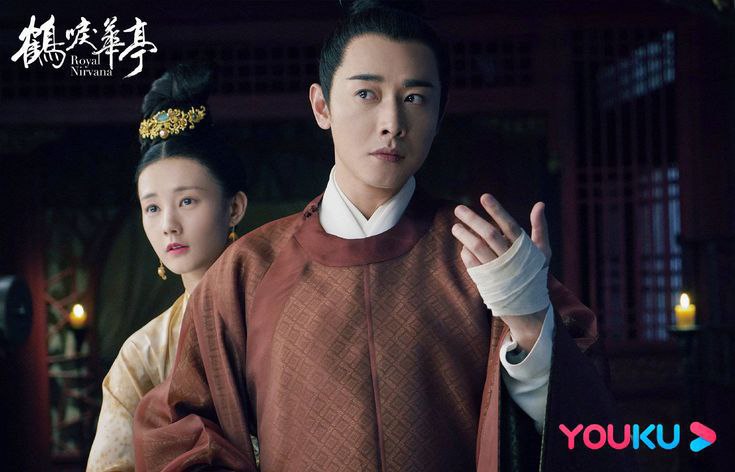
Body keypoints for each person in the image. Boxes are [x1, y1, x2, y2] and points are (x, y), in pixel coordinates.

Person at [133, 2, 634, 471]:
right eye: (366, 94)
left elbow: (591, 432)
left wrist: (529, 322)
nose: (392, 123)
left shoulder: (485, 256)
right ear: (322, 106)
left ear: (438, 114)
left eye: (415, 98)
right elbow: (179, 429)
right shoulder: (247, 269)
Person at [86, 64, 251, 471]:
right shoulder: (142, 355)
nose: (168, 225)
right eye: (153, 208)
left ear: (234, 208)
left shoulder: (284, 312)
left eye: (187, 201)